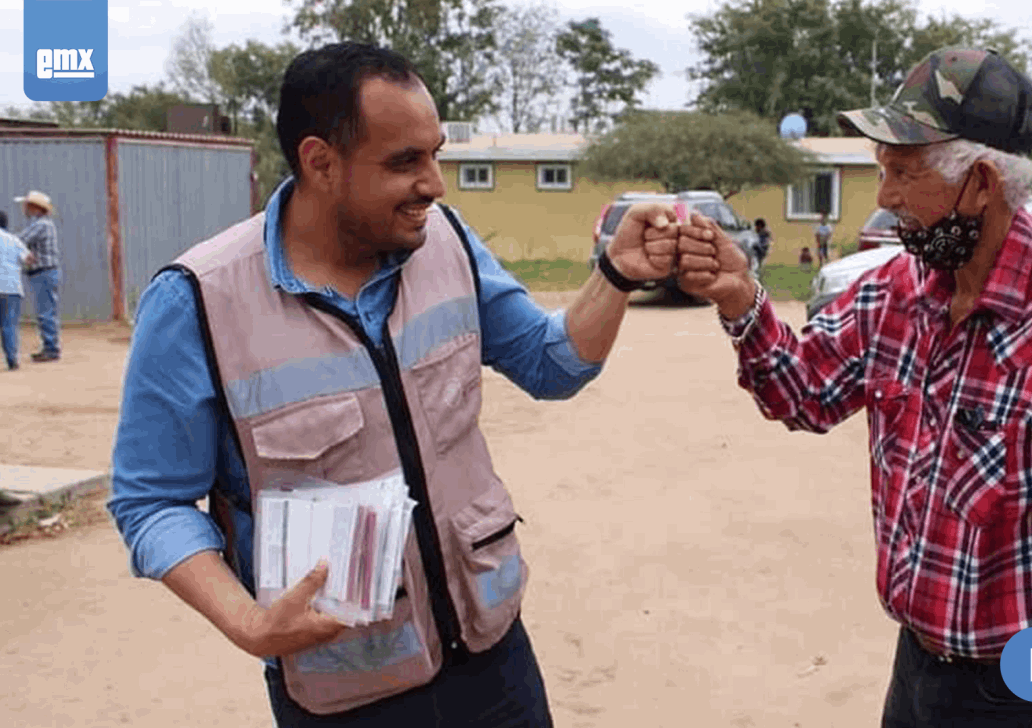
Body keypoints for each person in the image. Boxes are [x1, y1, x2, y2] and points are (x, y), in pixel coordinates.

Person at [107, 43, 680, 727]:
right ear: (321, 162)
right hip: (341, 695)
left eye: (435, 153)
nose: (435, 184)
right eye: (405, 162)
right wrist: (252, 625)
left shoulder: (448, 243)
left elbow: (548, 363)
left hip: (494, 665)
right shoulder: (197, 301)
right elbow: (151, 501)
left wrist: (614, 275)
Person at [674, 47, 1032, 728]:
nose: (885, 196)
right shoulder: (897, 292)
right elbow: (803, 392)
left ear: (982, 182)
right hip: (917, 670)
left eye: (904, 172)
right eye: (881, 170)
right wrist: (739, 298)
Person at [14, 190, 60, 362]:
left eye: (27, 205)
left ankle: (51, 348)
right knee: (47, 309)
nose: (24, 209)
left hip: (44, 272)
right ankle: (50, 346)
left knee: (45, 311)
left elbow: (20, 240)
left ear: (35, 207)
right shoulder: (43, 224)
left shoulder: (41, 225)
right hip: (46, 272)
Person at [0, 210, 33, 371]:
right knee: (9, 325)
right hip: (11, 288)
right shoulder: (14, 240)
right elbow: (29, 259)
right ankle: (12, 360)